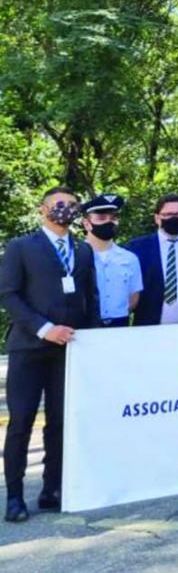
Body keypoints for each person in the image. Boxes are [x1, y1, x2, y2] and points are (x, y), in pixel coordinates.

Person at [0, 187, 98, 522]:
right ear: (44, 209)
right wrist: (45, 328)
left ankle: (50, 489)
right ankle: (14, 497)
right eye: (59, 204)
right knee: (22, 421)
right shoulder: (21, 247)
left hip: (69, 351)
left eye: (72, 205)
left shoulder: (83, 251)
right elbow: (9, 295)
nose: (65, 210)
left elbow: (91, 298)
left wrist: (94, 342)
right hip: (30, 348)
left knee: (59, 422)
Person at [126, 193, 178, 326]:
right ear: (157, 218)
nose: (174, 218)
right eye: (168, 214)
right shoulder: (137, 248)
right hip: (149, 327)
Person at [81, 194, 142, 328]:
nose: (109, 222)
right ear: (87, 223)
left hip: (119, 326)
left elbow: (134, 298)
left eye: (113, 218)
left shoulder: (129, 259)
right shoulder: (76, 256)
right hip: (83, 327)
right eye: (101, 218)